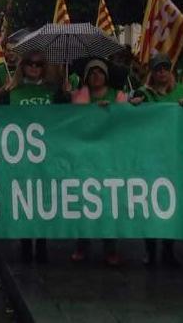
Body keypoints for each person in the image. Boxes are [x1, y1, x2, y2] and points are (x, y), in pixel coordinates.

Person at [1, 51, 69, 263]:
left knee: (43, 201)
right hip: (19, 157)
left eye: (39, 64)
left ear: (44, 68)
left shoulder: (54, 92)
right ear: (22, 66)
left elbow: (71, 118)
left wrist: (68, 95)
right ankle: (24, 243)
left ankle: (41, 243)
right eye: (29, 63)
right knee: (22, 200)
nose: (34, 67)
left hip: (46, 157)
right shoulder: (10, 92)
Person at [130, 53, 183, 267]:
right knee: (151, 202)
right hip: (150, 155)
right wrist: (133, 105)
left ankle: (169, 249)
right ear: (152, 73)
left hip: (175, 154)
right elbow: (131, 118)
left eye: (165, 68)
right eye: (157, 69)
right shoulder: (143, 93)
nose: (162, 72)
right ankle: (150, 249)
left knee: (171, 203)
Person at [70, 59, 127, 266]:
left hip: (110, 157)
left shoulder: (118, 96)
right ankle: (82, 244)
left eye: (100, 72)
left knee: (109, 203)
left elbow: (125, 120)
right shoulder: (78, 96)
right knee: (84, 201)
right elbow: (71, 121)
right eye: (91, 72)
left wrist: (111, 110)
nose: (96, 76)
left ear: (106, 76)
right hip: (85, 157)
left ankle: (110, 247)